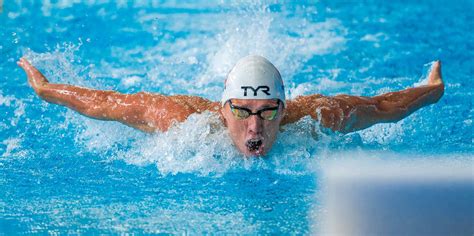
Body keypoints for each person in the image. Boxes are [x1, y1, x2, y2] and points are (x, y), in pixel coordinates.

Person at [17, 55, 444, 156]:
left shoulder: (315, 117)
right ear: (223, 110)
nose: (255, 129)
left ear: (284, 106)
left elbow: (383, 106)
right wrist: (47, 89)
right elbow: (109, 103)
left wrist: (431, 90)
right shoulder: (184, 122)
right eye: (241, 112)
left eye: (267, 113)